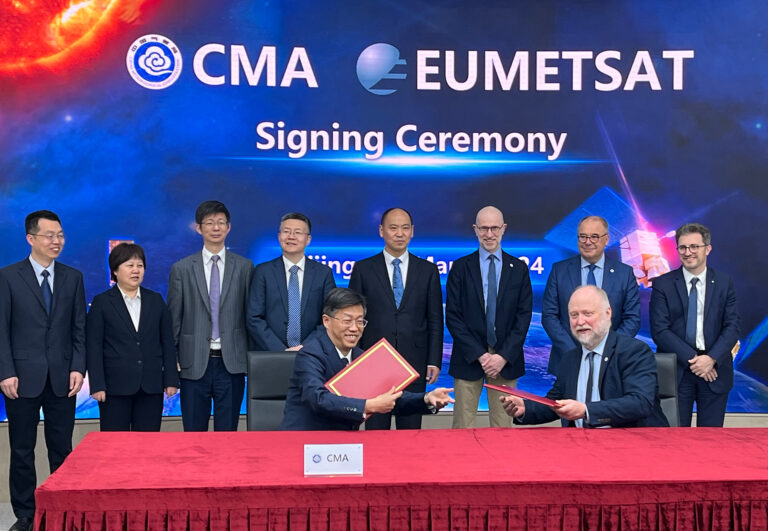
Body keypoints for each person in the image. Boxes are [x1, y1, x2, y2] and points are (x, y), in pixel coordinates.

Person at [0, 210, 86, 531]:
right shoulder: (7, 277)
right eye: (50, 235)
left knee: (61, 447)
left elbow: (79, 327)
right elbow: (2, 330)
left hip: (63, 376)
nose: (57, 241)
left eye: (60, 235)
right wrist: (5, 371)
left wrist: (78, 367)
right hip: (20, 378)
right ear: (30, 238)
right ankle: (25, 514)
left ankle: (63, 511)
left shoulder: (72, 277)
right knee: (22, 449)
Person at [280, 288, 453, 430]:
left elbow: (389, 397)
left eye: (360, 321)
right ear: (326, 321)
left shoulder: (361, 356)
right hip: (306, 441)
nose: (354, 328)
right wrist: (367, 406)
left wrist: (427, 398)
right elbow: (318, 399)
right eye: (347, 321)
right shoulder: (310, 354)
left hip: (344, 443)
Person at [502, 286, 668, 428]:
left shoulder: (635, 351)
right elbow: (557, 403)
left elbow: (640, 403)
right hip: (580, 446)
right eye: (574, 315)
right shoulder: (570, 358)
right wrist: (525, 409)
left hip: (631, 447)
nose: (580, 322)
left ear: (608, 313)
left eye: (587, 313)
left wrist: (586, 410)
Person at [348, 207, 443, 430]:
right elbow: (352, 319)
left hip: (415, 361)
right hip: (373, 362)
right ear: (382, 231)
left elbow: (435, 319)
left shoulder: (428, 270)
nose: (399, 233)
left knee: (410, 432)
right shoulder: (363, 269)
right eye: (393, 228)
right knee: (376, 431)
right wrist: (355, 359)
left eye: (405, 228)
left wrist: (433, 360)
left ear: (412, 232)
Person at [167, 201, 254, 431]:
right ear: (199, 228)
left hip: (232, 363)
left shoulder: (245, 267)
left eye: (220, 222)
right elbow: (174, 318)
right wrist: (172, 357)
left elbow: (250, 316)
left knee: (228, 432)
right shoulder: (182, 268)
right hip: (193, 362)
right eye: (209, 223)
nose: (215, 227)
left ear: (229, 227)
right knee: (194, 433)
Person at [446, 206, 532, 428]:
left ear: (504, 229)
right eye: (484, 228)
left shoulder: (519, 269)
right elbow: (453, 317)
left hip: (506, 360)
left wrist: (502, 356)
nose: (489, 234)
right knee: (462, 427)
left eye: (494, 228)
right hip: (469, 358)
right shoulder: (460, 267)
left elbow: (523, 318)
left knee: (503, 428)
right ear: (475, 230)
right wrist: (482, 356)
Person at [650, 223, 740, 427]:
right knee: (673, 442)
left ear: (707, 248)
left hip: (715, 371)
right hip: (677, 372)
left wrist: (711, 359)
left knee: (711, 441)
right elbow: (660, 331)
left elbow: (732, 326)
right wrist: (696, 360)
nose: (688, 252)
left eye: (694, 247)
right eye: (682, 247)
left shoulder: (725, 283)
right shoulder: (663, 284)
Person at [86, 243, 179, 431]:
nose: (136, 270)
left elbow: (167, 342)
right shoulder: (102, 302)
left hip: (150, 385)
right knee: (115, 445)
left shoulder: (156, 300)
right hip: (114, 387)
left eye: (140, 265)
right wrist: (97, 384)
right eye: (129, 265)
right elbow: (93, 346)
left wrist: (171, 379)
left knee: (147, 444)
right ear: (115, 270)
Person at [542, 215, 640, 374]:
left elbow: (632, 318)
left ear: (606, 239)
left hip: (611, 364)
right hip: (567, 363)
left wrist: (608, 351)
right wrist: (573, 354)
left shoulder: (625, 273)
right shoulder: (559, 271)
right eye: (583, 236)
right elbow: (549, 316)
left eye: (594, 237)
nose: (588, 242)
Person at [247, 212, 335, 352]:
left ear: (308, 239)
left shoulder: (323, 273)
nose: (291, 237)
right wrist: (280, 350)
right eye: (286, 231)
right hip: (271, 356)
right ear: (279, 236)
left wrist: (304, 347)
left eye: (298, 232)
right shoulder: (263, 271)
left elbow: (330, 317)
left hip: (312, 354)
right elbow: (254, 317)